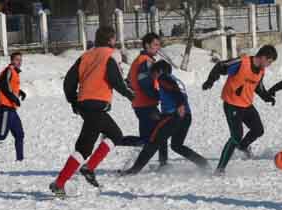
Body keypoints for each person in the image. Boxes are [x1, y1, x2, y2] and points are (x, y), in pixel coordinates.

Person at [49, 26, 135, 198]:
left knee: (114, 134)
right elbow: (116, 80)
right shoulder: (111, 54)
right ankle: (61, 182)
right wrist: (131, 95)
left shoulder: (86, 55)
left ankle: (87, 168)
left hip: (85, 105)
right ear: (111, 39)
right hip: (97, 106)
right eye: (114, 38)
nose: (115, 41)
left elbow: (69, 81)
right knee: (85, 147)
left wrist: (73, 101)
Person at [120, 60, 210, 175]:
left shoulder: (163, 78)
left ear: (159, 71)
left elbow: (175, 91)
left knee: (153, 141)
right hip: (186, 116)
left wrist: (180, 105)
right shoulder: (174, 79)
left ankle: (134, 170)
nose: (153, 77)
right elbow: (173, 92)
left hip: (174, 116)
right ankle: (203, 163)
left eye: (153, 74)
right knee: (177, 145)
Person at [202, 45, 278, 175]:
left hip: (246, 105)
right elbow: (220, 66)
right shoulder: (242, 62)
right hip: (232, 104)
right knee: (236, 135)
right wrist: (210, 81)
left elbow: (258, 86)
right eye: (269, 62)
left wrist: (267, 97)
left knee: (258, 130)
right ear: (264, 57)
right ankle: (220, 169)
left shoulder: (261, 71)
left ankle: (242, 147)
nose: (268, 65)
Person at [125, 32, 168, 168]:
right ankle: (163, 164)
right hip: (146, 104)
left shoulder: (142, 60)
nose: (158, 47)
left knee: (148, 138)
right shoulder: (145, 61)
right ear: (147, 45)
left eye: (158, 44)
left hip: (142, 103)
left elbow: (129, 81)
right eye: (155, 44)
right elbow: (144, 83)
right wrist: (158, 95)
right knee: (160, 133)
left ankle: (113, 140)